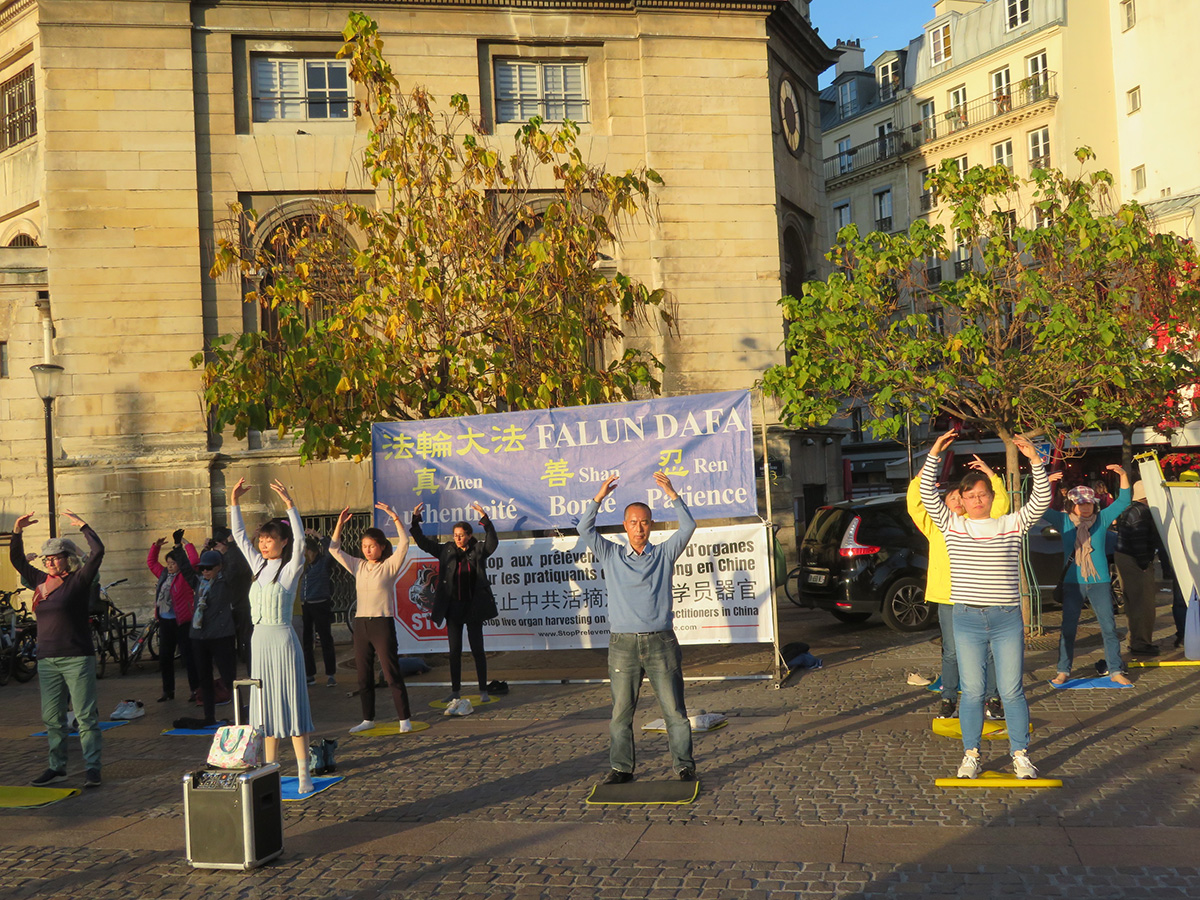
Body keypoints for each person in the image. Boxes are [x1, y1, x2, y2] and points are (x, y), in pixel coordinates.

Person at [920, 431, 1050, 780]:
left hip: (1006, 618)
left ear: (993, 496)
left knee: (1011, 690)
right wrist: (934, 453)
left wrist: (1034, 460)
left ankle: (1020, 754)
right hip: (967, 618)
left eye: (982, 494)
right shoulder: (953, 526)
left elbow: (1041, 499)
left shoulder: (1011, 524)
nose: (977, 500)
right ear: (961, 500)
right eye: (971, 496)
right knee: (974, 691)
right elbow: (926, 494)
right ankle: (971, 754)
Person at [579, 471, 697, 784]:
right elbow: (584, 528)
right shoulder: (611, 554)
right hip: (623, 645)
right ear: (625, 526)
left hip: (661, 643)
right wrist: (599, 497)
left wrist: (672, 494)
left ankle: (684, 766)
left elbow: (688, 526)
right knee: (621, 713)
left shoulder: (664, 554)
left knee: (674, 711)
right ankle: (621, 768)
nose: (639, 528)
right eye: (633, 522)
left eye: (644, 522)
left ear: (651, 525)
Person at [229, 477, 314, 794]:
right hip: (260, 642)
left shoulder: (290, 570)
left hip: (283, 641)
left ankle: (304, 773)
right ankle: (270, 772)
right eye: (262, 540)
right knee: (264, 709)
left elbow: (301, 543)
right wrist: (234, 502)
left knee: (292, 707)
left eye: (270, 540)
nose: (264, 544)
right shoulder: (257, 566)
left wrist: (290, 505)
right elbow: (240, 537)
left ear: (282, 542)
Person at [10, 510, 105, 788]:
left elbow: (98, 552)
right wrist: (17, 531)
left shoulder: (79, 580)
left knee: (85, 717)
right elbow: (17, 560)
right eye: (46, 559)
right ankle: (57, 766)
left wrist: (84, 526)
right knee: (52, 718)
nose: (50, 562)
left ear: (67, 558)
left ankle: (93, 768)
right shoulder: (40, 581)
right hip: (47, 659)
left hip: (77, 658)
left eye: (55, 557)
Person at [907, 456, 1008, 720]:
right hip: (948, 598)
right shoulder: (936, 526)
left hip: (979, 597)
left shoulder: (980, 524)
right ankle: (949, 700)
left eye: (962, 498)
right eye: (953, 498)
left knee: (988, 651)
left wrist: (992, 476)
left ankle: (992, 699)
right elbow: (915, 505)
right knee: (951, 652)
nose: (959, 502)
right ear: (944, 504)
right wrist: (920, 477)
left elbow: (1001, 504)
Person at [328, 503, 414, 734]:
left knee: (390, 672)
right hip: (361, 625)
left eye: (372, 546)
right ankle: (368, 718)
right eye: (364, 546)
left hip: (382, 624)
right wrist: (339, 525)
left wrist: (394, 517)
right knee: (363, 674)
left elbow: (404, 543)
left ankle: (404, 718)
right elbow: (334, 549)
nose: (367, 550)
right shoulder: (358, 565)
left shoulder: (389, 565)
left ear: (382, 547)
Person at [1045, 469, 1132, 685]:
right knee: (1068, 628)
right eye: (1080, 504)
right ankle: (1063, 670)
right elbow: (1039, 508)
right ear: (1071, 505)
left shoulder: (1101, 520)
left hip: (1099, 581)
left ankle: (1115, 669)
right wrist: (1045, 483)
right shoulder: (1064, 521)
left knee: (1109, 627)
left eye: (1089, 504)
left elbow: (1123, 501)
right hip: (1073, 583)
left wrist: (1123, 475)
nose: (1085, 507)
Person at [410, 502, 499, 703]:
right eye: (455, 535)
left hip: (473, 607)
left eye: (461, 535)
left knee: (478, 650)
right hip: (453, 608)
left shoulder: (478, 550)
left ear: (469, 535)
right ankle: (455, 691)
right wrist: (415, 521)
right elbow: (423, 543)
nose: (457, 538)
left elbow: (493, 543)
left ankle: (483, 690)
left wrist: (485, 520)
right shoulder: (446, 551)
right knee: (454, 651)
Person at [176, 549, 239, 726]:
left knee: (229, 678)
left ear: (219, 567)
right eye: (202, 568)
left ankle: (238, 714)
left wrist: (229, 546)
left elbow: (235, 566)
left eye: (209, 568)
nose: (205, 571)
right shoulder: (198, 582)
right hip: (199, 636)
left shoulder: (225, 581)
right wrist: (178, 548)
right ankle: (209, 715)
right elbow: (187, 570)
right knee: (204, 679)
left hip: (221, 635)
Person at [147, 533, 200, 702]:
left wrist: (186, 544)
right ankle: (168, 691)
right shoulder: (163, 575)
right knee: (165, 657)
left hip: (182, 622)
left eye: (173, 563)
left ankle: (195, 690)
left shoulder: (185, 576)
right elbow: (151, 563)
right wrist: (156, 546)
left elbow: (194, 561)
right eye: (168, 563)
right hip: (165, 621)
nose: (170, 566)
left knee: (188, 657)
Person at [1114, 481, 1161, 657]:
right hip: (1134, 560)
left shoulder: (1131, 509)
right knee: (1143, 603)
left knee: (1132, 603)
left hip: (1124, 557)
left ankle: (1135, 640)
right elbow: (1139, 539)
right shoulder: (1143, 512)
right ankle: (1141, 643)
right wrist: (1144, 563)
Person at [209, 524, 253, 669]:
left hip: (242, 603)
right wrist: (207, 551)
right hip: (229, 604)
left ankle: (249, 665)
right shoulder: (225, 557)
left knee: (246, 637)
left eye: (217, 544)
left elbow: (231, 574)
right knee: (228, 639)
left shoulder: (236, 556)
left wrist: (230, 547)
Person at [301, 529, 338, 686]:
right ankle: (310, 674)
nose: (304, 555)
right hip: (305, 606)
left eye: (306, 552)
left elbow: (332, 550)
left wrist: (319, 537)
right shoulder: (302, 566)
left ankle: (330, 674)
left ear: (313, 551)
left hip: (321, 604)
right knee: (306, 641)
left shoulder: (323, 562)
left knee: (325, 639)